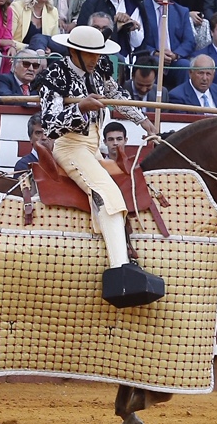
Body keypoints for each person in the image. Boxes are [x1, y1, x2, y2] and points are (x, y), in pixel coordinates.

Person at [34, 24, 164, 307]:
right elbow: (50, 123)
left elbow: (117, 96)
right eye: (89, 54)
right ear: (74, 52)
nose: (95, 59)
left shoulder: (100, 69)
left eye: (96, 54)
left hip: (93, 149)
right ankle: (121, 269)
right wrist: (80, 107)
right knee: (107, 194)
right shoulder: (55, 75)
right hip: (70, 148)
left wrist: (142, 120)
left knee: (128, 179)